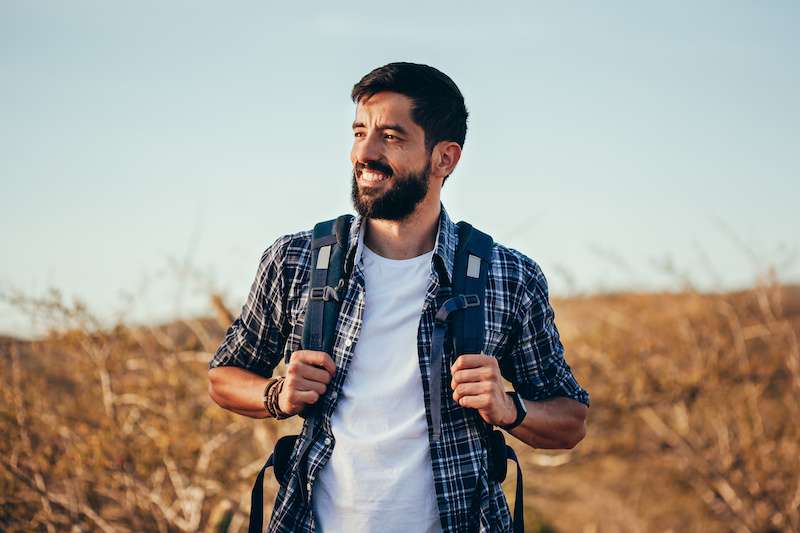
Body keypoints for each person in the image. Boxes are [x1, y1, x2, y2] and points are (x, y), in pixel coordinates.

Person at [208, 62, 590, 533]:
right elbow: (223, 376)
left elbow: (571, 420)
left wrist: (510, 410)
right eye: (359, 132)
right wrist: (276, 394)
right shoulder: (295, 260)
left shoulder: (507, 276)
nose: (364, 153)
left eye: (391, 136)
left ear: (444, 159)